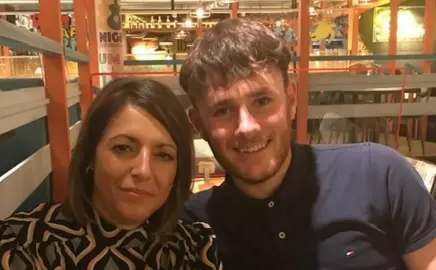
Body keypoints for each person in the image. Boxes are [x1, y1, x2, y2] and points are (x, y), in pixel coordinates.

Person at [179, 18, 436, 269]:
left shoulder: (379, 174)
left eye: (263, 101)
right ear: (198, 124)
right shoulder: (191, 228)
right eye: (223, 110)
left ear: (291, 100)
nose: (248, 127)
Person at [0, 77, 222, 269]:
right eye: (123, 148)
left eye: (163, 155)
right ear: (90, 154)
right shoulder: (20, 244)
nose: (143, 170)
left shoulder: (196, 249)